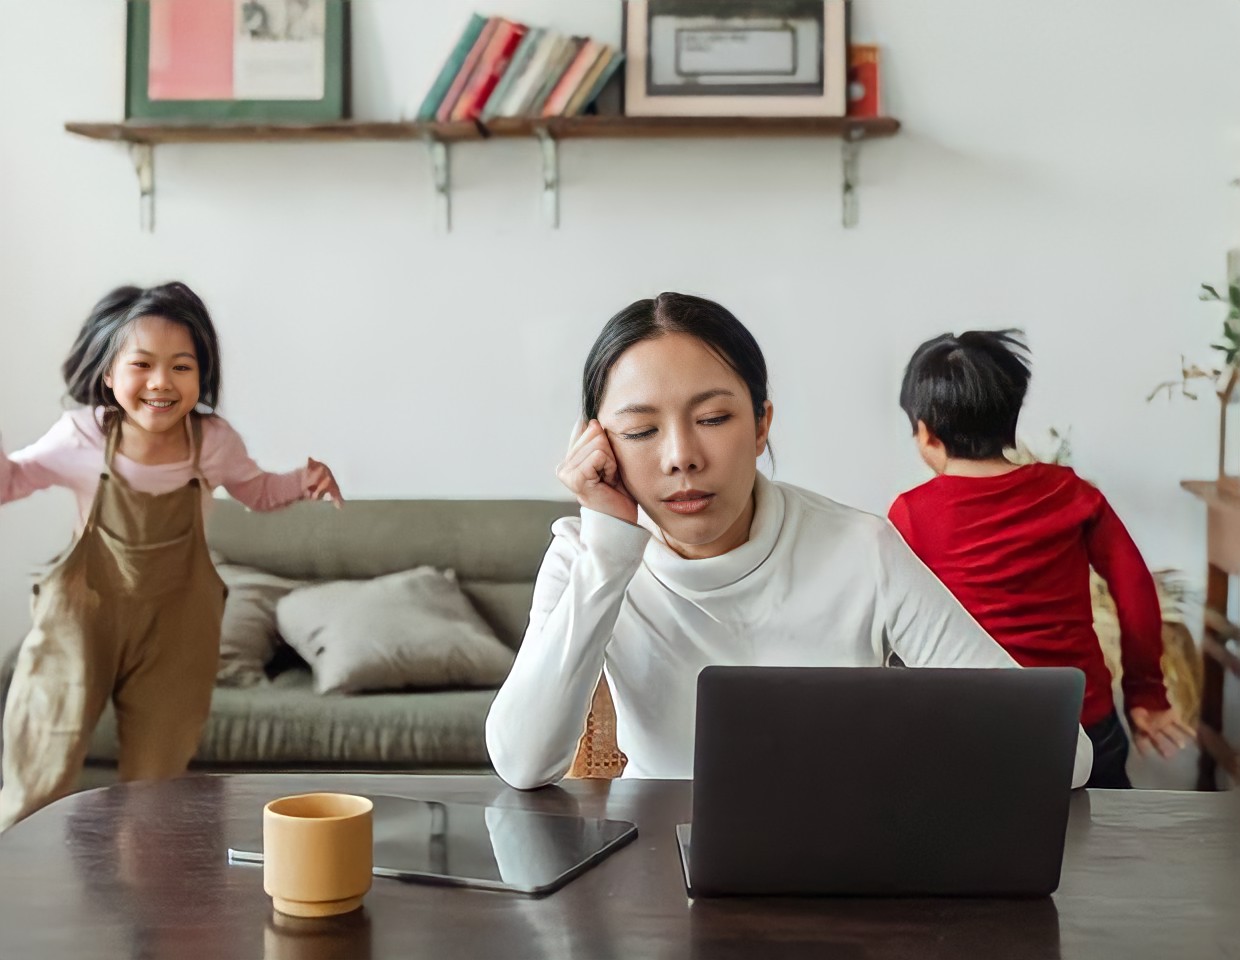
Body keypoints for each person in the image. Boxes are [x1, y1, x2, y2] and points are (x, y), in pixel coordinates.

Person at [485, 293, 1093, 790]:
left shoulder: (861, 549)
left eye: (714, 419)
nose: (681, 458)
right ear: (598, 444)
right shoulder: (584, 556)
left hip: (841, 870)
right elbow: (522, 763)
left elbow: (1065, 755)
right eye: (642, 429)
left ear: (761, 426)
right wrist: (609, 551)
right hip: (656, 875)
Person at [0, 281, 342, 830]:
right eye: (142, 364)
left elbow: (256, 492)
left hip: (175, 628)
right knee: (37, 771)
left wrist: (302, 482)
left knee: (153, 796)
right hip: (80, 620)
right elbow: (12, 480)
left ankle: (147, 910)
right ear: (109, 374)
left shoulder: (212, 442)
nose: (161, 382)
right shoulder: (81, 435)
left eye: (181, 366)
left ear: (202, 376)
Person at [888, 329, 1192, 788]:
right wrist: (1145, 693)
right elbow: (1135, 590)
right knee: (1103, 853)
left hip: (972, 734)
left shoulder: (910, 514)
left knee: (974, 857)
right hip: (1083, 725)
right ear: (1011, 419)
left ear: (926, 434)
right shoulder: (1072, 493)